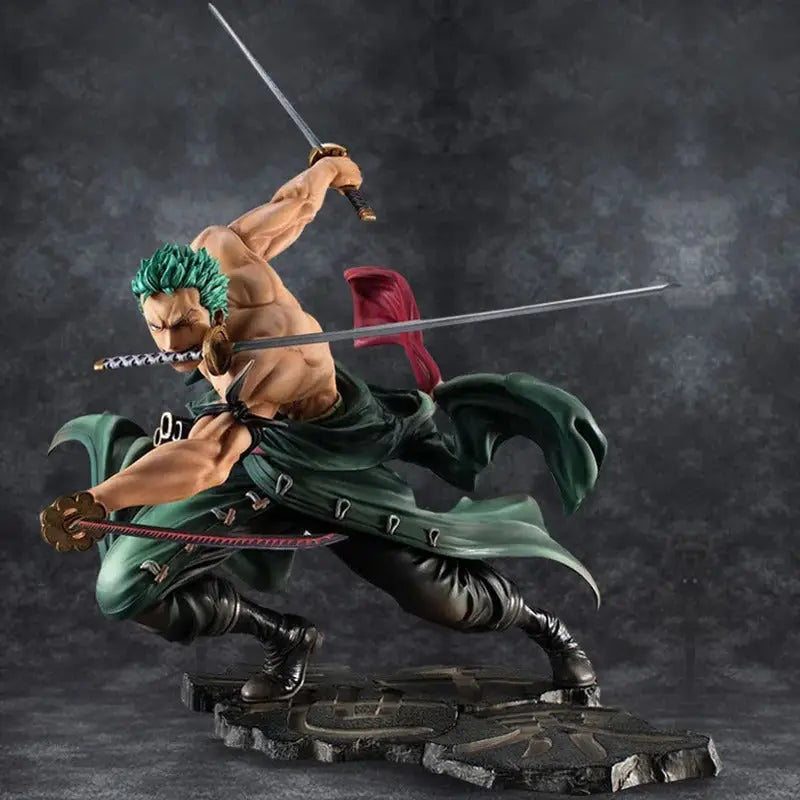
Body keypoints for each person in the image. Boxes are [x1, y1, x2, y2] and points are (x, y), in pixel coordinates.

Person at [41, 155, 607, 703]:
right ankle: (284, 636)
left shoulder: (265, 363)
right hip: (252, 455)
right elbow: (292, 206)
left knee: (443, 600)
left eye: (184, 324)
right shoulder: (217, 250)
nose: (168, 345)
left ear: (214, 307)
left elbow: (207, 460)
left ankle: (547, 629)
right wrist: (330, 169)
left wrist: (100, 498)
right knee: (125, 587)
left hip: (327, 455)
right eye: (156, 327)